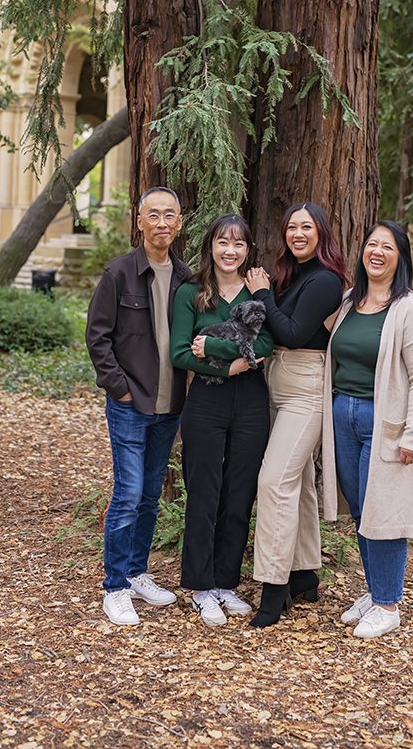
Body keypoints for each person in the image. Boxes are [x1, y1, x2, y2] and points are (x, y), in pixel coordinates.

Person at [322, 221, 413, 638]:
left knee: (383, 511)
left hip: (384, 423)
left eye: (387, 247)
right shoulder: (351, 301)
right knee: (360, 507)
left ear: (400, 257)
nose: (377, 252)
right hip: (342, 415)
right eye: (372, 244)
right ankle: (374, 593)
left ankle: (388, 604)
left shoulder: (409, 309)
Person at [86, 186, 190, 626]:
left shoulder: (187, 279)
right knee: (128, 495)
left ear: (179, 224)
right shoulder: (120, 274)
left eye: (170, 215)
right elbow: (97, 337)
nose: (162, 222)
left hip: (171, 406)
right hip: (131, 404)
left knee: (149, 496)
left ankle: (136, 573)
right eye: (154, 214)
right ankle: (114, 587)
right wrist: (120, 388)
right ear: (140, 221)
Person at [244, 202, 345, 627]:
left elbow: (290, 331)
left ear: (321, 232)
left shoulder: (326, 281)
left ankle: (273, 588)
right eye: (291, 226)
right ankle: (304, 574)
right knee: (298, 481)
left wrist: (262, 295)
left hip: (305, 387)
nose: (297, 233)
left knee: (273, 481)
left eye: (306, 227)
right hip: (276, 379)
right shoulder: (290, 275)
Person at [170, 214, 274, 626]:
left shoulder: (257, 292)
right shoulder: (191, 293)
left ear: (248, 251)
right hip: (206, 405)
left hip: (250, 404)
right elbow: (179, 353)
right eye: (223, 243)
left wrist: (212, 346)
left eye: (239, 244)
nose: (230, 251)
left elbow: (267, 342)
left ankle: (225, 583)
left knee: (239, 493)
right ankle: (199, 587)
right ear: (210, 246)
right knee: (204, 493)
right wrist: (229, 367)